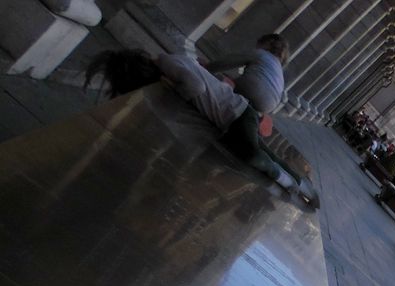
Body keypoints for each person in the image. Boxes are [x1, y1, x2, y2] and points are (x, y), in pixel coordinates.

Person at [85, 48, 318, 206]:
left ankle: (289, 183)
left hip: (235, 113)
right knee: (261, 150)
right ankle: (297, 181)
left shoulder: (168, 62)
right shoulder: (172, 66)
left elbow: (195, 85)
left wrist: (179, 92)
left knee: (251, 154)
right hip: (236, 113)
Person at [206, 33, 289, 119]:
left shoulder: (261, 53)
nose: (256, 47)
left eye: (258, 45)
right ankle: (254, 115)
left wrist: (207, 67)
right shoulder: (279, 68)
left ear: (266, 44)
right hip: (269, 105)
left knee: (221, 79)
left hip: (252, 89)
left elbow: (227, 62)